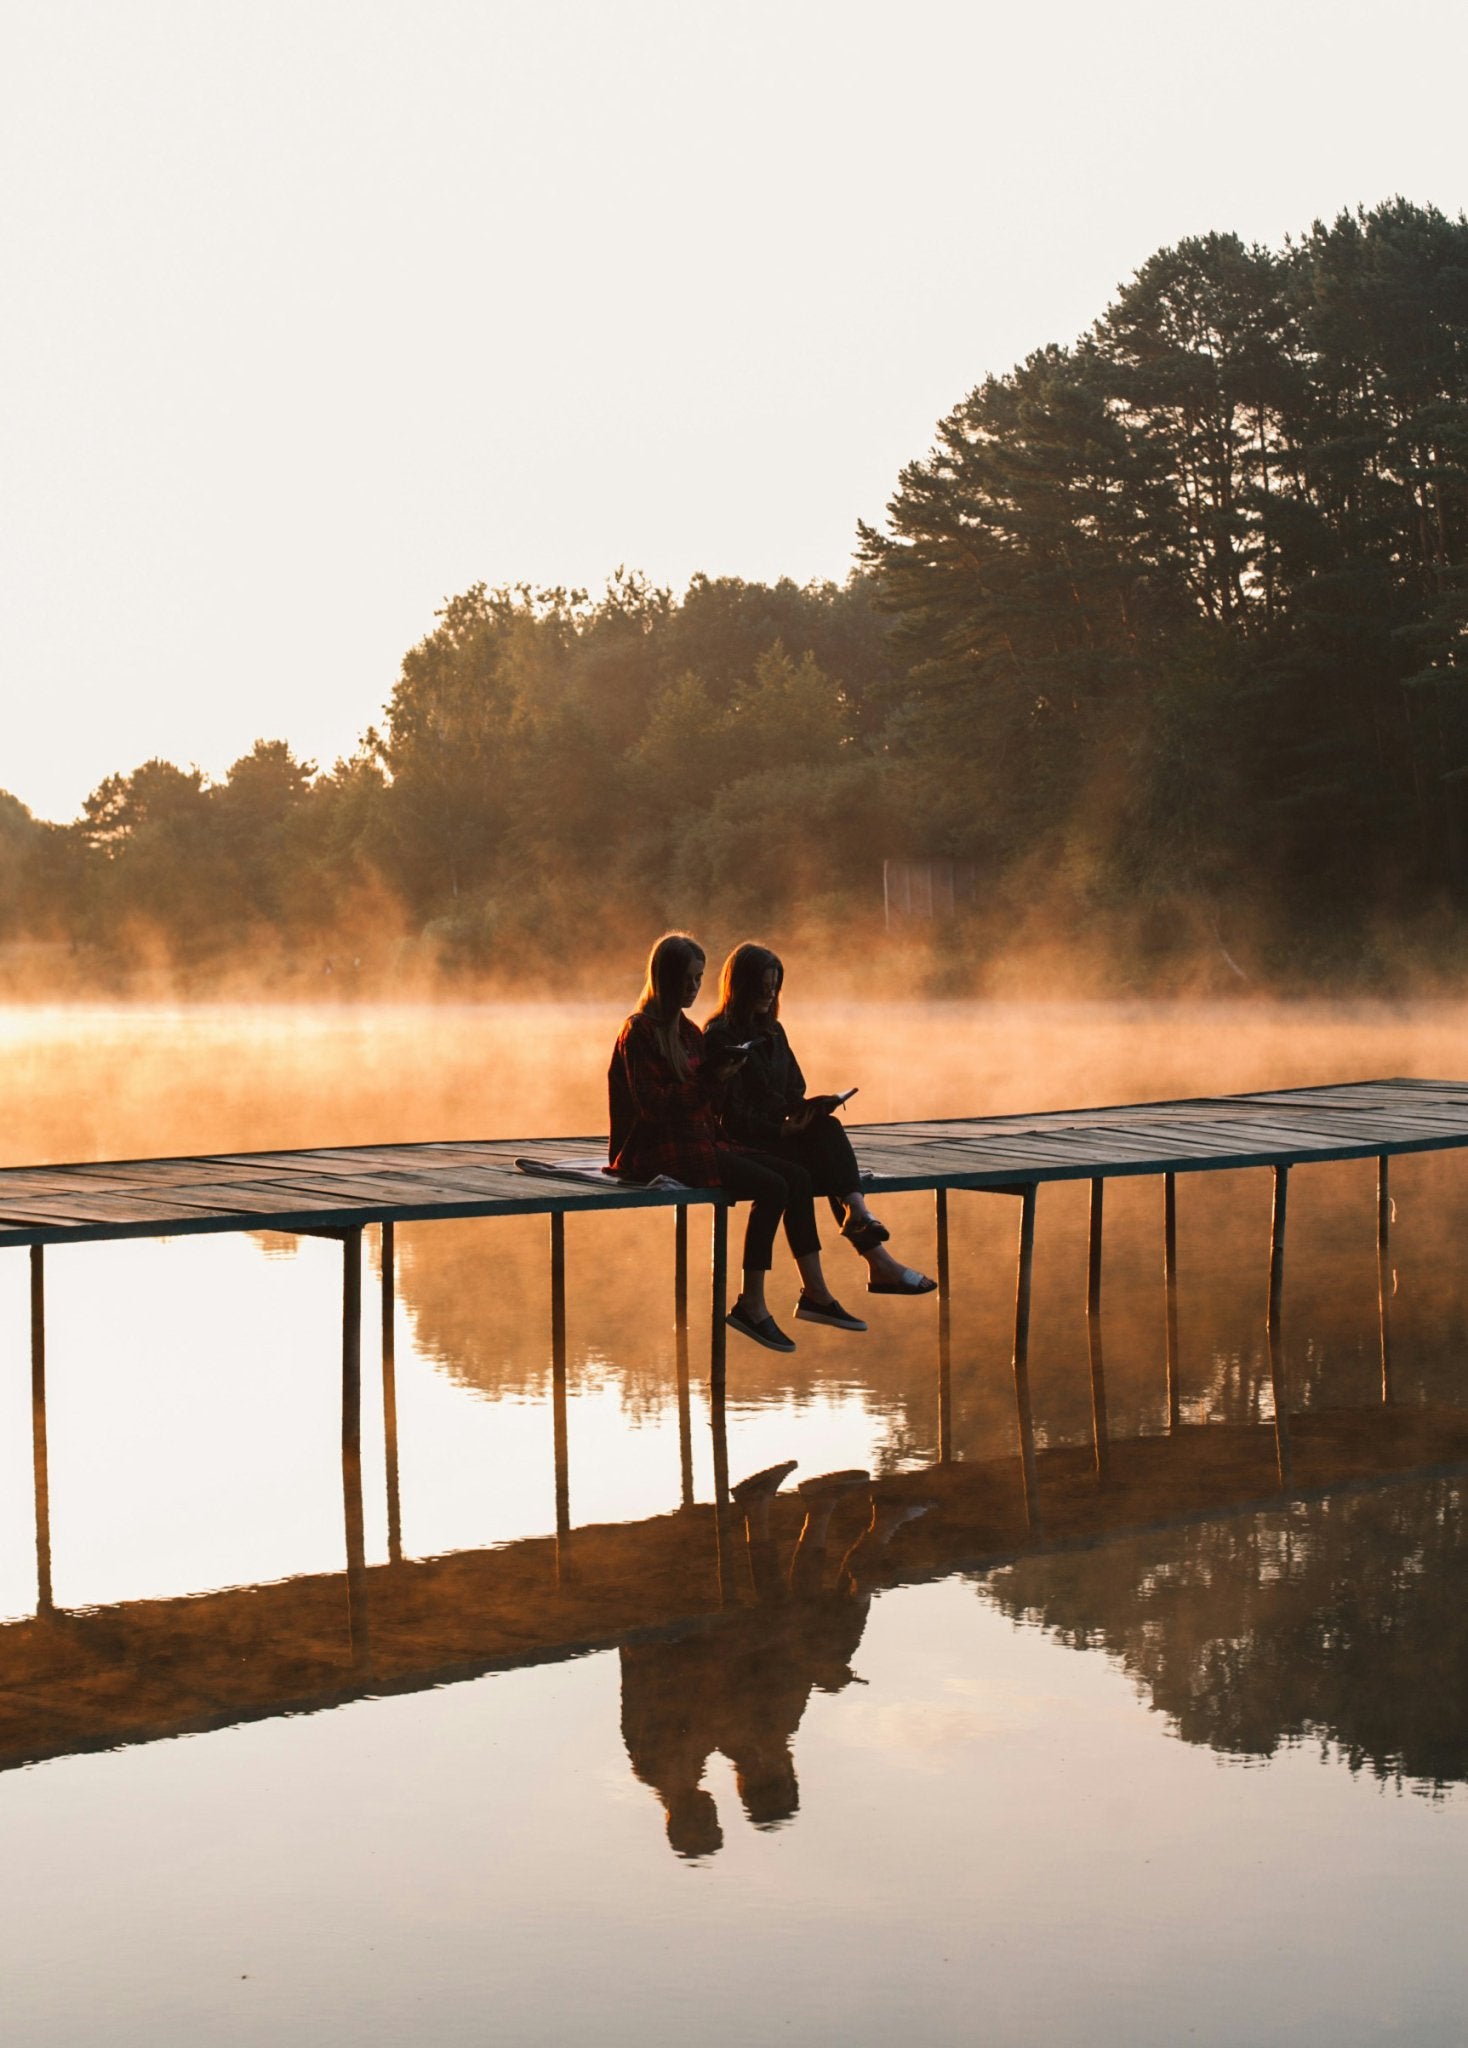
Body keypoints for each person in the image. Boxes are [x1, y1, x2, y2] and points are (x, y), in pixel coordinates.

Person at [608, 932, 866, 1352]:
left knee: (797, 1177)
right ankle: (752, 1304)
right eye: (688, 979)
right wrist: (712, 1080)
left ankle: (816, 1293)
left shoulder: (689, 1033)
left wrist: (728, 1078)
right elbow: (654, 1108)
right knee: (773, 1185)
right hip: (658, 1150)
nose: (695, 987)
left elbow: (708, 1106)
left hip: (702, 1140)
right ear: (666, 978)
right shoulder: (639, 1032)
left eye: (699, 978)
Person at [702, 941, 937, 1300]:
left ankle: (859, 1217)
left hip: (780, 1132)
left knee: (826, 1127)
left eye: (774, 986)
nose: (769, 994)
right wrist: (779, 1128)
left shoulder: (774, 1032)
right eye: (762, 986)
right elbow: (728, 1114)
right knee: (817, 1165)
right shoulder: (720, 1035)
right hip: (746, 1142)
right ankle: (875, 1260)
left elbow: (793, 1088)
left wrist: (808, 1108)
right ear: (741, 986)